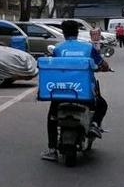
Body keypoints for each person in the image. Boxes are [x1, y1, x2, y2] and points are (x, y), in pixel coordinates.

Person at [42, 19, 110, 161]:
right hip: (84, 93)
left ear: (64, 33)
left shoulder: (58, 48)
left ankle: (52, 149)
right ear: (77, 32)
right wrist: (105, 67)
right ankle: (95, 125)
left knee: (52, 117)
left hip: (61, 93)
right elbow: (102, 64)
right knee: (102, 104)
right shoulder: (87, 48)